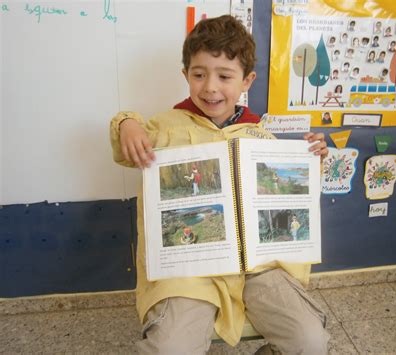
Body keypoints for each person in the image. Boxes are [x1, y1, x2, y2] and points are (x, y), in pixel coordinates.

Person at [110, 15, 329, 355]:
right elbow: (127, 147)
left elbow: (288, 196)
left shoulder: (260, 135)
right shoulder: (166, 127)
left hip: (259, 269)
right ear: (186, 76)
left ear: (247, 81)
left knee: (310, 342)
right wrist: (127, 125)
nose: (210, 87)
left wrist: (311, 160)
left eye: (224, 76)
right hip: (189, 271)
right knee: (169, 349)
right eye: (199, 75)